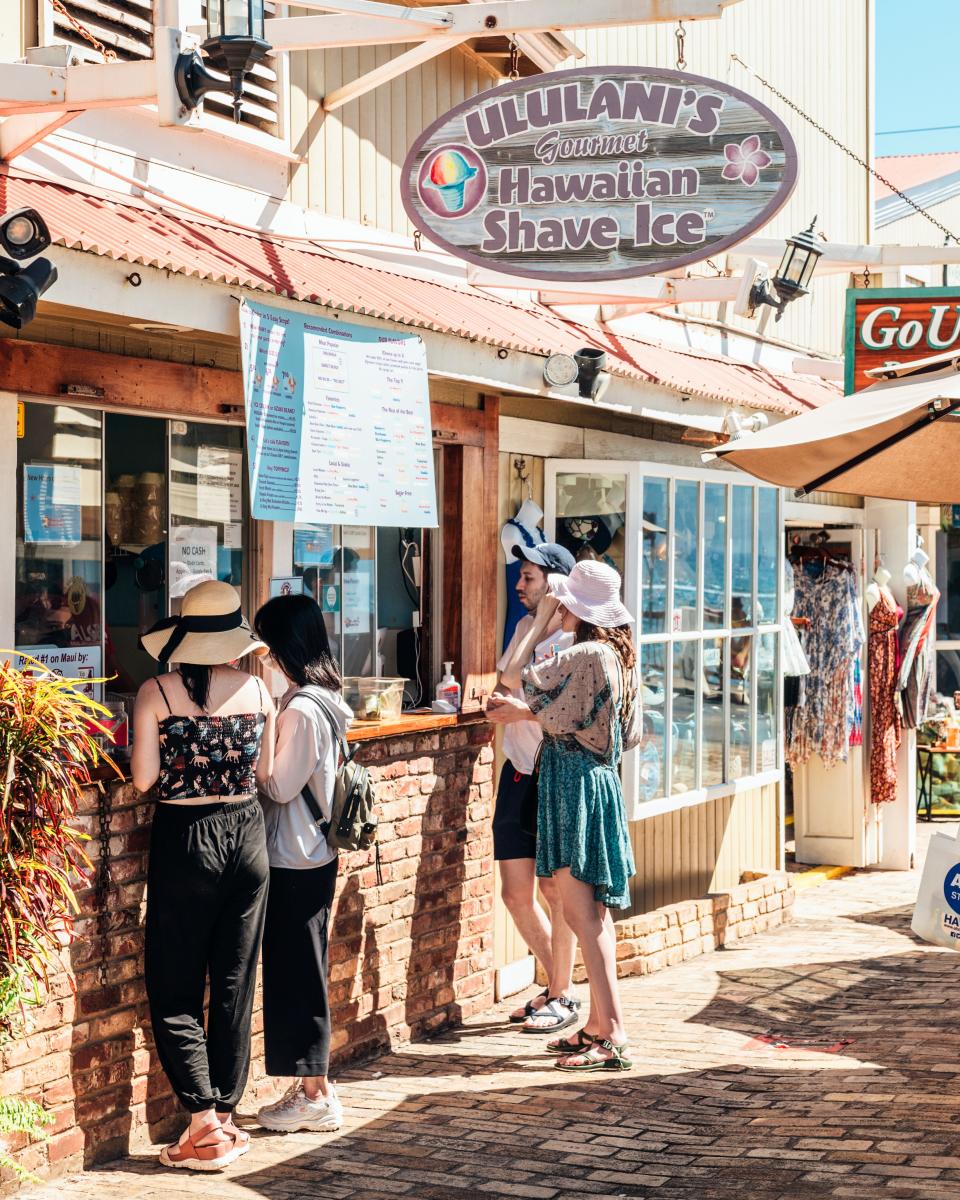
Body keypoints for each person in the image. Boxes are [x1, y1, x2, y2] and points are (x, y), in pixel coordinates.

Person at [131, 580, 275, 1170]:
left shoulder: (157, 692)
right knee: (236, 982)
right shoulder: (260, 691)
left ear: (184, 637)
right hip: (247, 836)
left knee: (175, 984)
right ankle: (226, 1114)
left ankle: (203, 1126)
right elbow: (264, 774)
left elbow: (142, 780)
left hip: (186, 841)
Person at [500, 560, 637, 1072]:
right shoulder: (618, 656)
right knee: (591, 913)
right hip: (598, 781)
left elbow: (514, 677)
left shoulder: (583, 655)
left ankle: (613, 1032)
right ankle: (601, 1025)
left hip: (573, 784)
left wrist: (543, 620)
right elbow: (633, 731)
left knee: (583, 914)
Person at [252, 593, 354, 1133]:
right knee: (303, 970)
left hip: (294, 856)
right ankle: (312, 1088)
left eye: (267, 644)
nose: (263, 655)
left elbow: (279, 784)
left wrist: (264, 726)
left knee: (299, 975)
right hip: (317, 852)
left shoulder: (300, 710)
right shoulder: (328, 699)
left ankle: (316, 1093)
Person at [486, 544, 580, 1034]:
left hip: (552, 772)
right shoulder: (525, 629)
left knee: (553, 889)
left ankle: (562, 994)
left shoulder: (569, 641)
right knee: (516, 893)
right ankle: (559, 984)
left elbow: (515, 676)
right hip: (518, 768)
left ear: (555, 586)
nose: (519, 586)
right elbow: (507, 682)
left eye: (528, 578)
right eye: (520, 577)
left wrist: (546, 619)